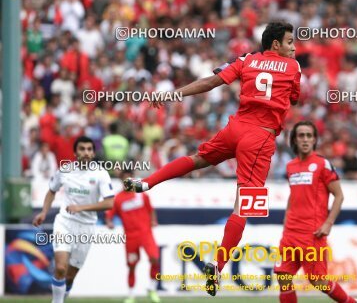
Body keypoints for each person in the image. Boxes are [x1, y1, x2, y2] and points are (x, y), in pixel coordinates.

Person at [123, 21, 301, 296]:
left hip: (235, 127)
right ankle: (217, 268)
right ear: (276, 44)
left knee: (198, 159)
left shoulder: (247, 59)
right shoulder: (294, 67)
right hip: (259, 138)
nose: (294, 47)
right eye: (290, 42)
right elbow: (295, 98)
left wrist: (175, 93)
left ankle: (148, 182)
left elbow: (210, 82)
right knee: (244, 206)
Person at [274, 121, 357, 303]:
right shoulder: (290, 166)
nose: (305, 139)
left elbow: (339, 196)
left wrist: (328, 223)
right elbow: (294, 195)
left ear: (315, 139)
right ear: (295, 140)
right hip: (290, 233)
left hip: (312, 233)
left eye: (309, 135)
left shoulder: (322, 165)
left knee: (319, 281)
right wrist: (285, 223)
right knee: (283, 276)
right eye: (301, 135)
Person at [32, 136, 114, 303]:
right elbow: (51, 191)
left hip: (87, 227)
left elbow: (109, 202)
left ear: (93, 153)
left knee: (70, 276)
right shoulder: (65, 170)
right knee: (61, 268)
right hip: (65, 222)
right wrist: (43, 212)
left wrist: (81, 208)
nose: (86, 152)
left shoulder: (101, 174)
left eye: (89, 149)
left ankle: (62, 296)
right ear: (75, 152)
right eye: (82, 149)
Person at [105, 170, 160, 303]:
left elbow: (150, 209)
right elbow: (109, 215)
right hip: (131, 237)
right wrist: (109, 222)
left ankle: (152, 288)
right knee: (132, 265)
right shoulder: (117, 198)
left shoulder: (141, 195)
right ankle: (131, 295)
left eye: (130, 179)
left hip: (146, 233)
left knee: (154, 258)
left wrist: (153, 220)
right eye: (125, 180)